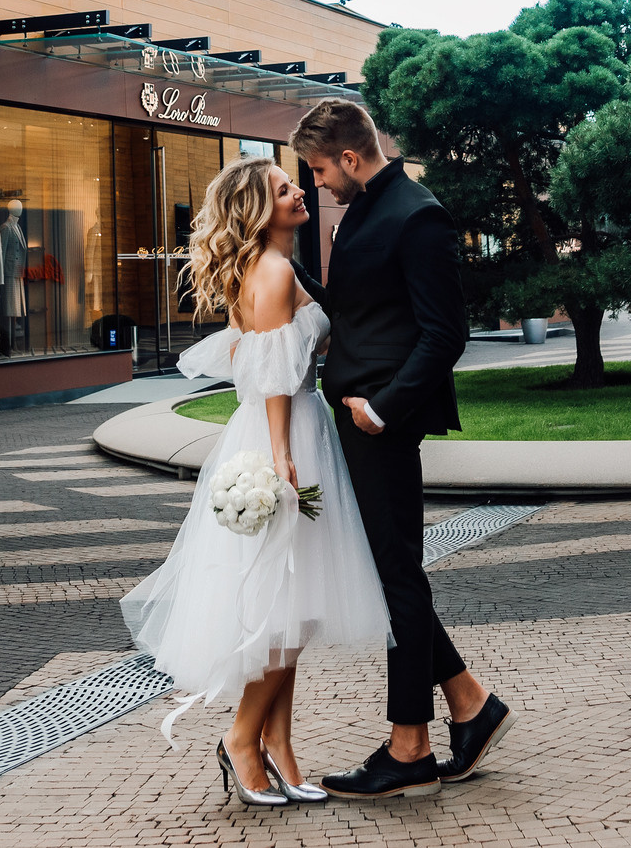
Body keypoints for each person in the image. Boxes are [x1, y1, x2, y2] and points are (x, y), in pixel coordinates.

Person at [119, 155, 389, 808]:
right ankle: (243, 739)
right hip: (287, 432)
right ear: (259, 210)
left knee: (293, 608)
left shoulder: (279, 266)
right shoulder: (270, 270)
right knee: (284, 614)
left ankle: (281, 748)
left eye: (294, 182)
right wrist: (281, 457)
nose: (299, 191)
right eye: (283, 189)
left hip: (300, 426)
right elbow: (271, 372)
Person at [290, 98, 516, 801]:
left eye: (323, 169)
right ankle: (471, 705)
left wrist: (385, 410)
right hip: (360, 417)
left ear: (351, 158)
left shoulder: (418, 213)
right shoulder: (366, 207)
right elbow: (366, 307)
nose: (320, 182)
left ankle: (410, 744)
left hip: (380, 422)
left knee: (397, 577)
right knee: (391, 571)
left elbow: (445, 332)